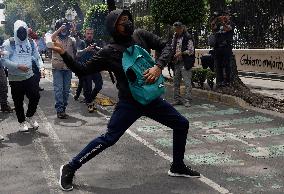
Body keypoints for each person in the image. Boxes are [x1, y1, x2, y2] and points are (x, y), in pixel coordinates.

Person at [52, 9, 200, 191]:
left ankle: (177, 166)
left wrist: (158, 66)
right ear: (113, 27)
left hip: (151, 99)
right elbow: (82, 70)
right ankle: (70, 167)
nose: (128, 23)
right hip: (129, 104)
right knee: (109, 138)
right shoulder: (109, 52)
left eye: (128, 19)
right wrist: (65, 54)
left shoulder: (140, 36)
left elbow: (166, 46)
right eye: (122, 21)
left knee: (181, 124)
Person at [2, 20, 42, 132]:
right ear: (15, 31)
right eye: (20, 32)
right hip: (15, 78)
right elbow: (4, 61)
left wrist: (41, 67)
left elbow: (36, 56)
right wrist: (18, 66)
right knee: (18, 102)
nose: (22, 35)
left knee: (35, 96)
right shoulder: (8, 43)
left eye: (24, 31)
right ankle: (22, 122)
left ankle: (30, 116)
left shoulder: (30, 42)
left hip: (29, 75)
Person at [51, 18, 77, 119]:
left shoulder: (71, 39)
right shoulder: (55, 38)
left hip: (68, 68)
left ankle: (63, 108)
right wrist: (59, 29)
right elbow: (52, 37)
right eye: (61, 28)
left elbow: (78, 43)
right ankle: (59, 110)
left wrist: (73, 29)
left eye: (65, 28)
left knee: (66, 90)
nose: (63, 30)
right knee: (59, 89)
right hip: (57, 68)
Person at [74, 27, 103, 113]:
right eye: (88, 33)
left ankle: (90, 98)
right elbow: (77, 53)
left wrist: (97, 51)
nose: (90, 35)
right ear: (85, 34)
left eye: (91, 34)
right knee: (88, 87)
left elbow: (101, 52)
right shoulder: (82, 42)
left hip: (95, 68)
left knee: (99, 85)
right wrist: (87, 49)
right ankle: (89, 101)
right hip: (85, 68)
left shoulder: (95, 43)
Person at [171, 22, 195, 107]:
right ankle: (177, 99)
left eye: (177, 29)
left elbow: (191, 51)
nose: (176, 31)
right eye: (175, 29)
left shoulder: (188, 37)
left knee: (187, 82)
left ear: (182, 28)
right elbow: (172, 47)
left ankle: (187, 100)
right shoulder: (175, 37)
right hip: (177, 62)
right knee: (176, 82)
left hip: (186, 62)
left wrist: (181, 53)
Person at [210, 11, 234, 88]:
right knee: (219, 65)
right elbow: (213, 29)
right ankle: (220, 81)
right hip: (218, 47)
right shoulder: (219, 24)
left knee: (226, 65)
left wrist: (223, 22)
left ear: (229, 16)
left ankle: (227, 81)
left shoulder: (231, 23)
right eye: (223, 15)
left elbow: (227, 29)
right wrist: (215, 20)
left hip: (226, 47)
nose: (224, 17)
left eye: (226, 15)